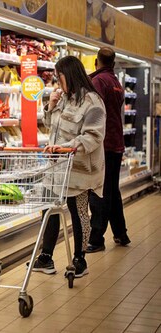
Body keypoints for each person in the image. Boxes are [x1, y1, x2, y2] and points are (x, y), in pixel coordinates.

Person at [31, 56, 106, 277]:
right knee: (48, 210)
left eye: (59, 76)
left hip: (78, 171)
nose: (56, 81)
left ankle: (79, 259)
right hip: (55, 169)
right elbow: (49, 126)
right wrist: (51, 105)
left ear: (69, 75)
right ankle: (46, 257)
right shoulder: (64, 98)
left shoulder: (92, 102)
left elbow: (93, 136)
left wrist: (67, 148)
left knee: (78, 212)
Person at [86, 47, 131, 252]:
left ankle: (96, 239)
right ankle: (121, 233)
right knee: (111, 189)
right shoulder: (116, 83)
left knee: (99, 191)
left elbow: (93, 111)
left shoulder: (98, 81)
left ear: (97, 62)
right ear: (113, 64)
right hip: (116, 142)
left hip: (102, 144)